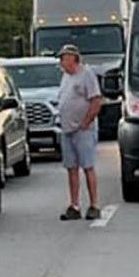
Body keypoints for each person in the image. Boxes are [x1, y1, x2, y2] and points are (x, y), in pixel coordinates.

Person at [55, 44, 104, 220]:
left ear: (73, 59)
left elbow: (96, 100)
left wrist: (86, 122)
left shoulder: (86, 74)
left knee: (88, 166)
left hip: (83, 129)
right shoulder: (65, 77)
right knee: (71, 168)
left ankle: (94, 205)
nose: (61, 62)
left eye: (64, 58)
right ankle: (74, 205)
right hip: (67, 129)